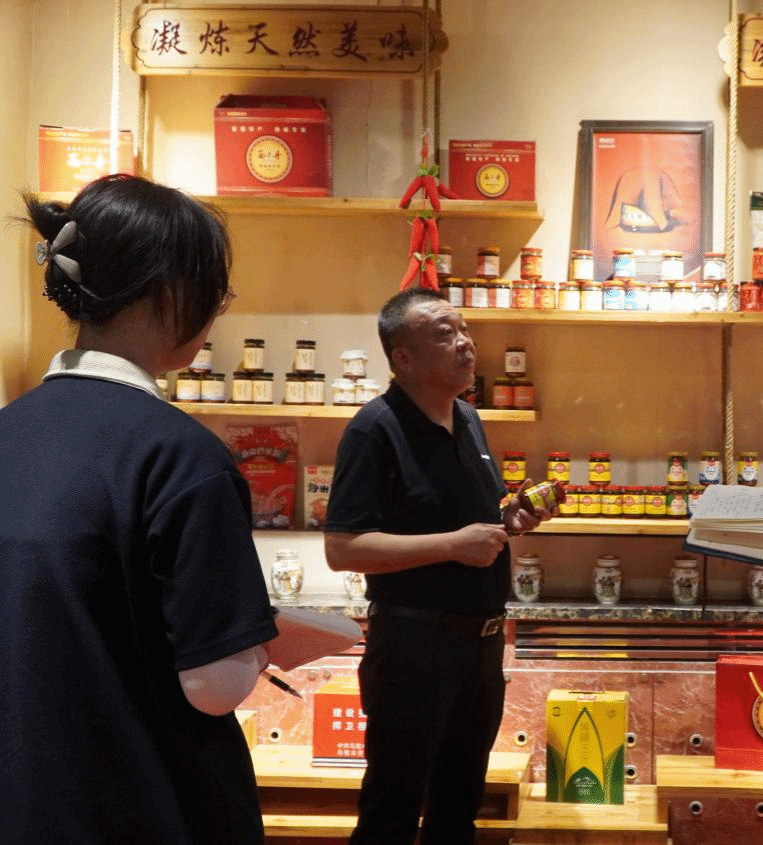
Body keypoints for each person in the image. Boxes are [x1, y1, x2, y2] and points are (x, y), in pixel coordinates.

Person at [0, 174, 304, 843]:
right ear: (173, 292)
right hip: (141, 805)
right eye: (215, 296)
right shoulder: (182, 456)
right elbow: (215, 684)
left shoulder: (7, 431)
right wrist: (259, 646)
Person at [324, 287, 550, 845]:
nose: (466, 344)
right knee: (391, 815)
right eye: (445, 334)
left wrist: (511, 519)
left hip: (481, 648)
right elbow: (343, 548)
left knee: (457, 813)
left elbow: (474, 521)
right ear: (403, 358)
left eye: (465, 329)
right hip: (412, 649)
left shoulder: (468, 419)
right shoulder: (374, 429)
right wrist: (453, 545)